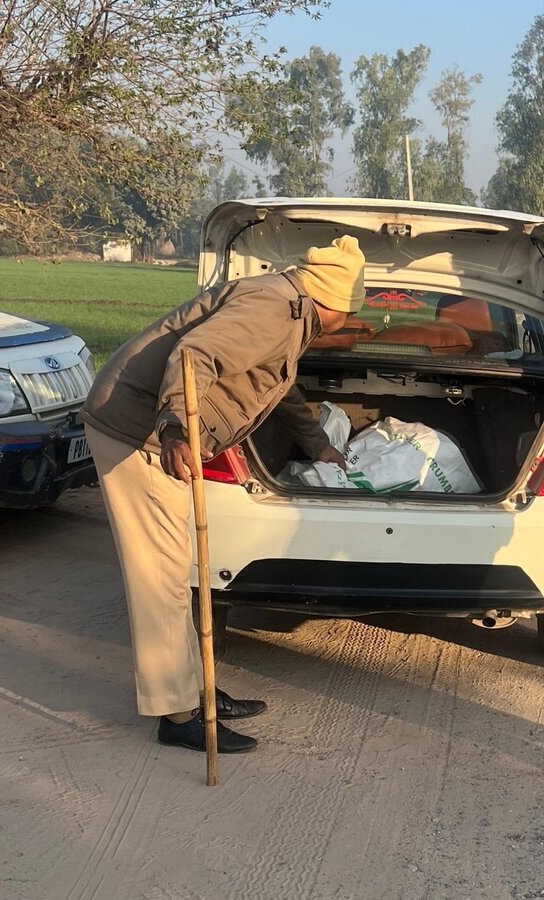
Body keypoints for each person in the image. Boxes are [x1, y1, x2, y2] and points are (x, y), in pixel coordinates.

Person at [81, 236, 366, 753]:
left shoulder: (290, 308)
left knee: (174, 571)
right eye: (355, 309)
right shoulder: (275, 308)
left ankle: (196, 691)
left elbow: (278, 385)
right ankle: (179, 715)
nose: (355, 320)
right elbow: (194, 356)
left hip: (151, 427)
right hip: (138, 432)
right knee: (161, 579)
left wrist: (318, 444)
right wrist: (174, 429)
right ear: (337, 302)